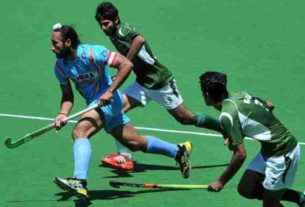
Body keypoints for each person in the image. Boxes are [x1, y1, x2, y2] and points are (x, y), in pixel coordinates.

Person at [50, 23, 192, 198]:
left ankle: (79, 180)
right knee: (135, 143)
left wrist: (110, 91)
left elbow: (126, 64)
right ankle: (177, 152)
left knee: (80, 132)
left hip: (109, 100)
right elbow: (67, 96)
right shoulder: (60, 67)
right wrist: (62, 114)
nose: (52, 48)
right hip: (98, 105)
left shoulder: (93, 53)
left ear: (68, 42)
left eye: (55, 43)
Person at [94, 2, 222, 171]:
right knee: (116, 110)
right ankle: (125, 157)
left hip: (160, 81)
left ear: (116, 19)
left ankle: (223, 127)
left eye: (106, 24)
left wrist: (125, 62)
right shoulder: (112, 34)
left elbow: (139, 39)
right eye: (100, 25)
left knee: (185, 118)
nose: (103, 28)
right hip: (142, 83)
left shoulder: (122, 30)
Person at [199, 71, 304, 207]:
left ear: (207, 95)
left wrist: (221, 181)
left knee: (270, 205)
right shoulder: (239, 95)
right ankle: (301, 198)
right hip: (270, 150)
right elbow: (270, 105)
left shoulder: (227, 115)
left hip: (283, 153)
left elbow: (241, 154)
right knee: (247, 189)